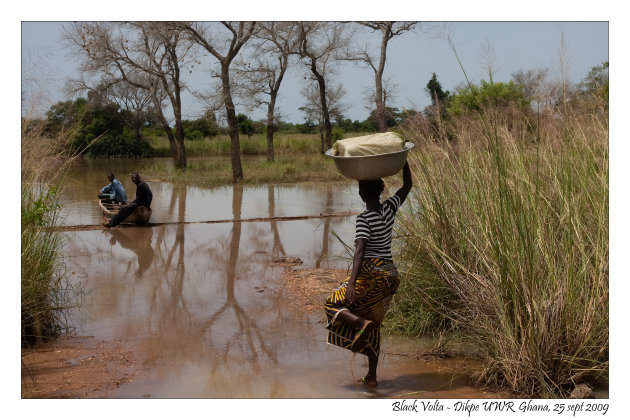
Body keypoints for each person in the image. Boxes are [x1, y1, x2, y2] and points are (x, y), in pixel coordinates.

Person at [323, 161, 412, 387]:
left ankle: (360, 324)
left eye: (360, 188)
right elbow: (407, 186)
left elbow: (360, 251)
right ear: (380, 191)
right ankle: (371, 377)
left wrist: (351, 283)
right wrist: (403, 161)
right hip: (390, 276)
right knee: (375, 322)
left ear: (363, 193)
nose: (359, 191)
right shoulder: (389, 207)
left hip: (372, 275)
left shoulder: (364, 219)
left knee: (332, 304)